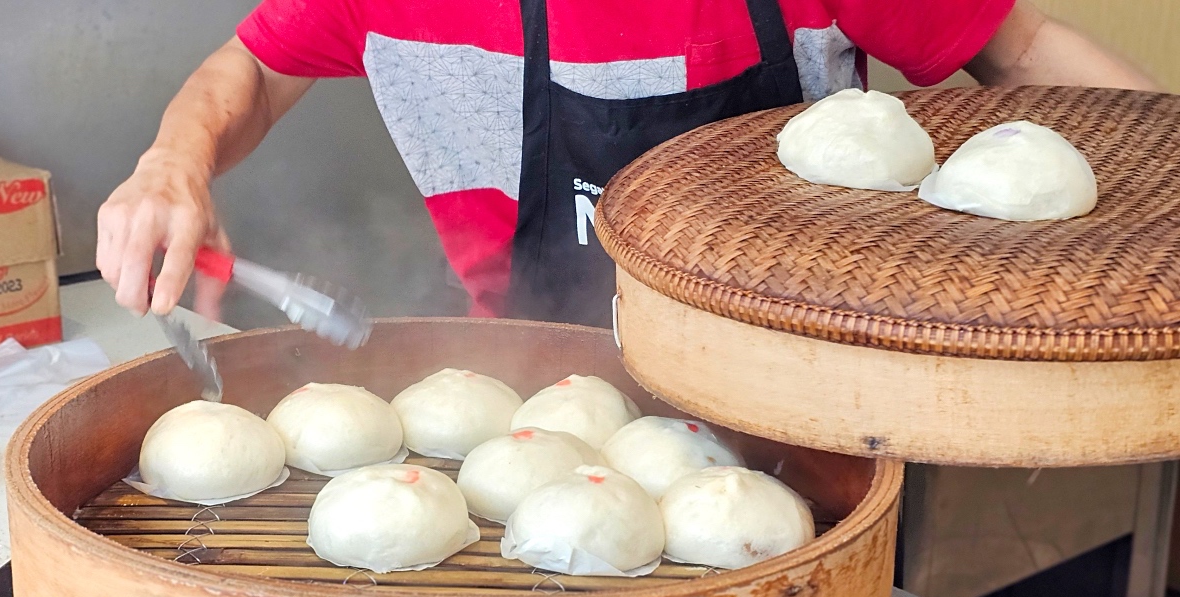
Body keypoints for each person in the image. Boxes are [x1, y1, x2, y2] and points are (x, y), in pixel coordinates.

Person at [96, 0, 1158, 326]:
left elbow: (1017, 47)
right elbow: (255, 68)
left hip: (805, 381)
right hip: (528, 384)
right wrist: (172, 162)